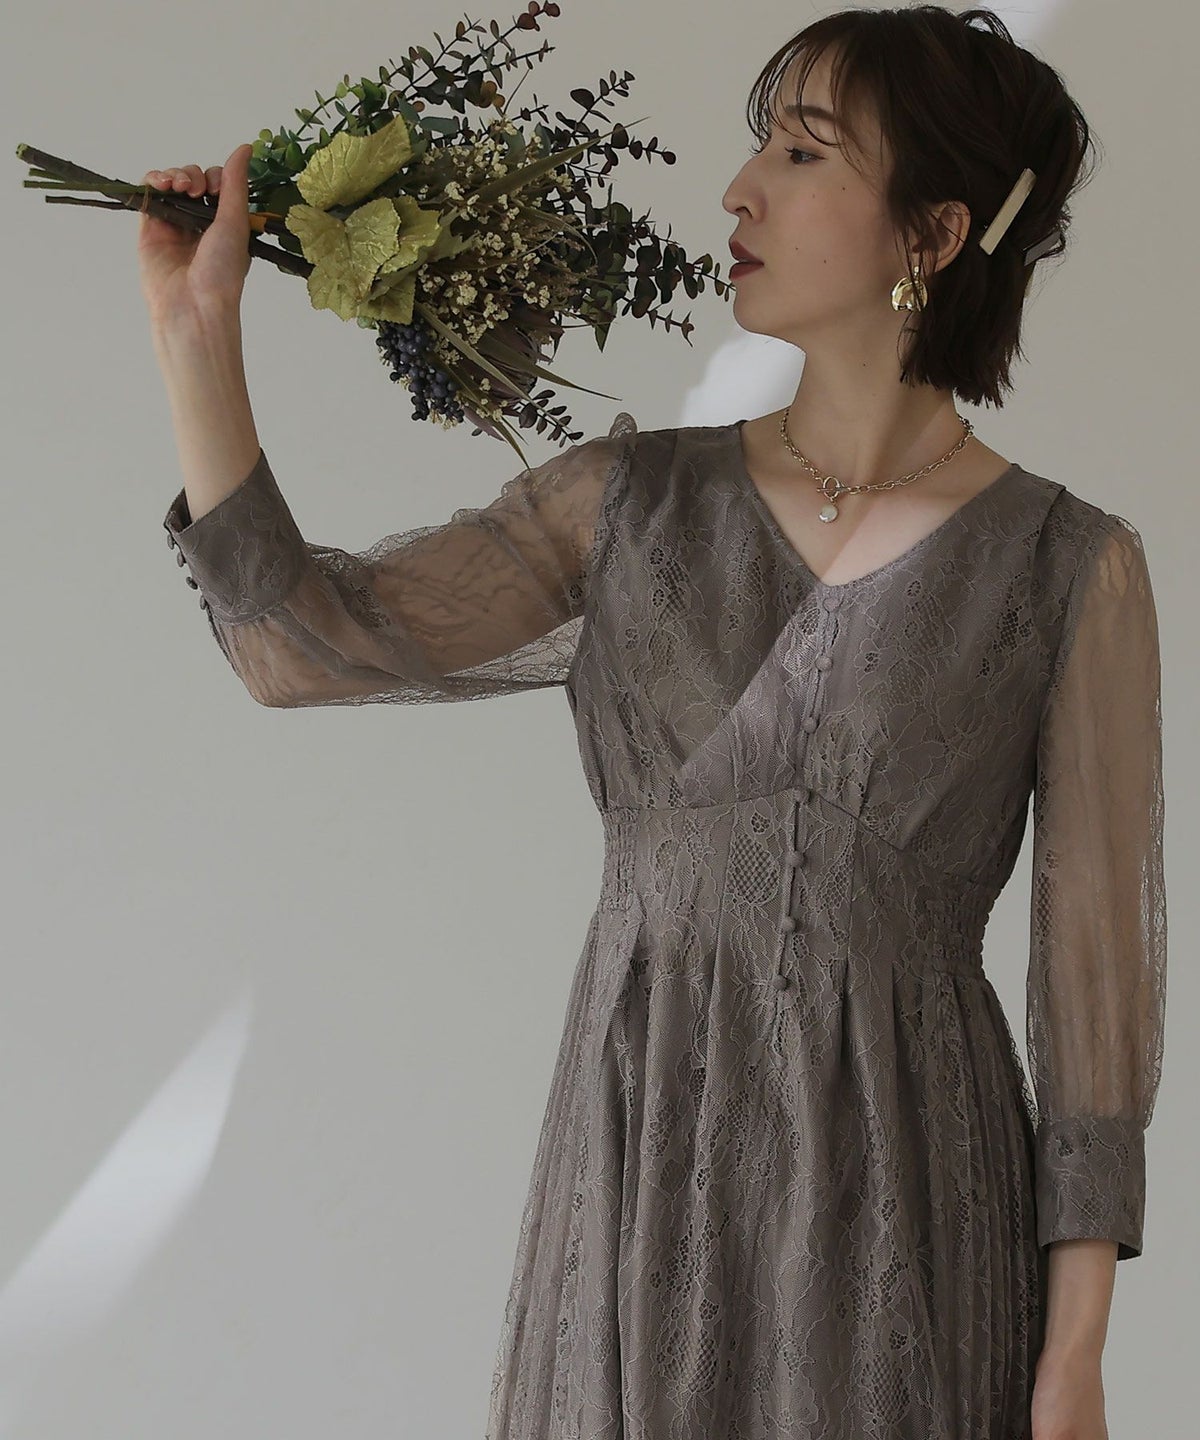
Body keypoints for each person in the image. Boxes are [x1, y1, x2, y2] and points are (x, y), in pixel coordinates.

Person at [139, 6, 1166, 1437]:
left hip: (913, 1209)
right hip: (641, 1165)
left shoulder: (1066, 565)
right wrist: (198, 340)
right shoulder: (626, 505)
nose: (739, 190)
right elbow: (302, 648)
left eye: (802, 152)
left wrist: (1074, 1357)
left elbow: (1093, 990)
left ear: (934, 234)